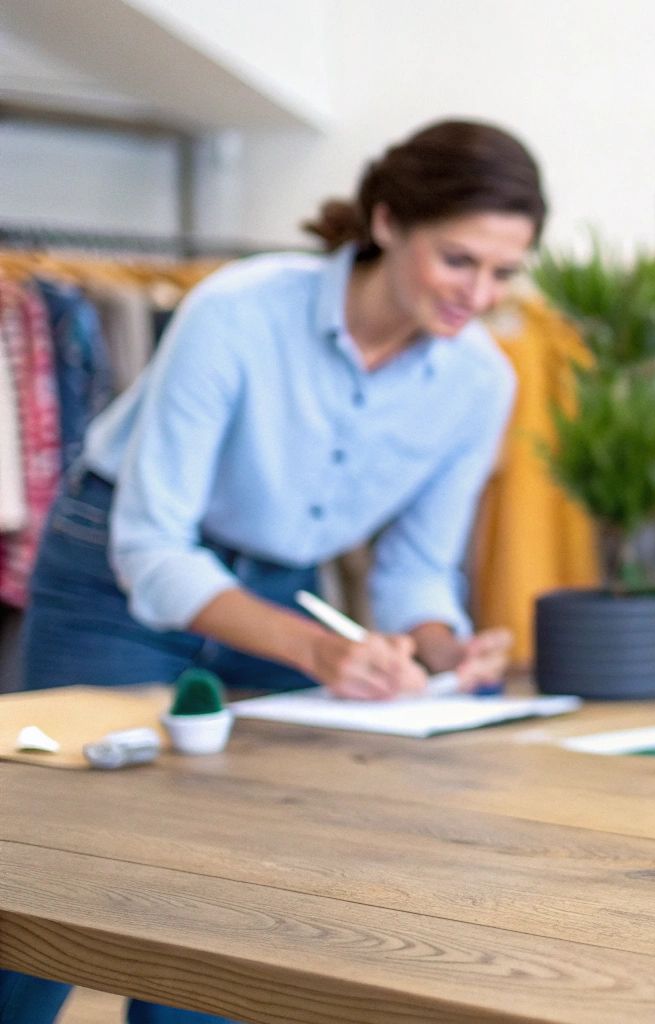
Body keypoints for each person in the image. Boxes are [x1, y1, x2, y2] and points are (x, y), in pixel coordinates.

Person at [0, 119, 543, 1024]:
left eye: (504, 273)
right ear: (386, 222)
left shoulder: (480, 382)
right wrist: (322, 653)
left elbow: (416, 569)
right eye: (459, 261)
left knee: (247, 875)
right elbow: (153, 549)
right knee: (64, 854)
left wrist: (445, 650)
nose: (479, 294)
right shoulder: (239, 311)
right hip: (117, 565)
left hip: (286, 589)